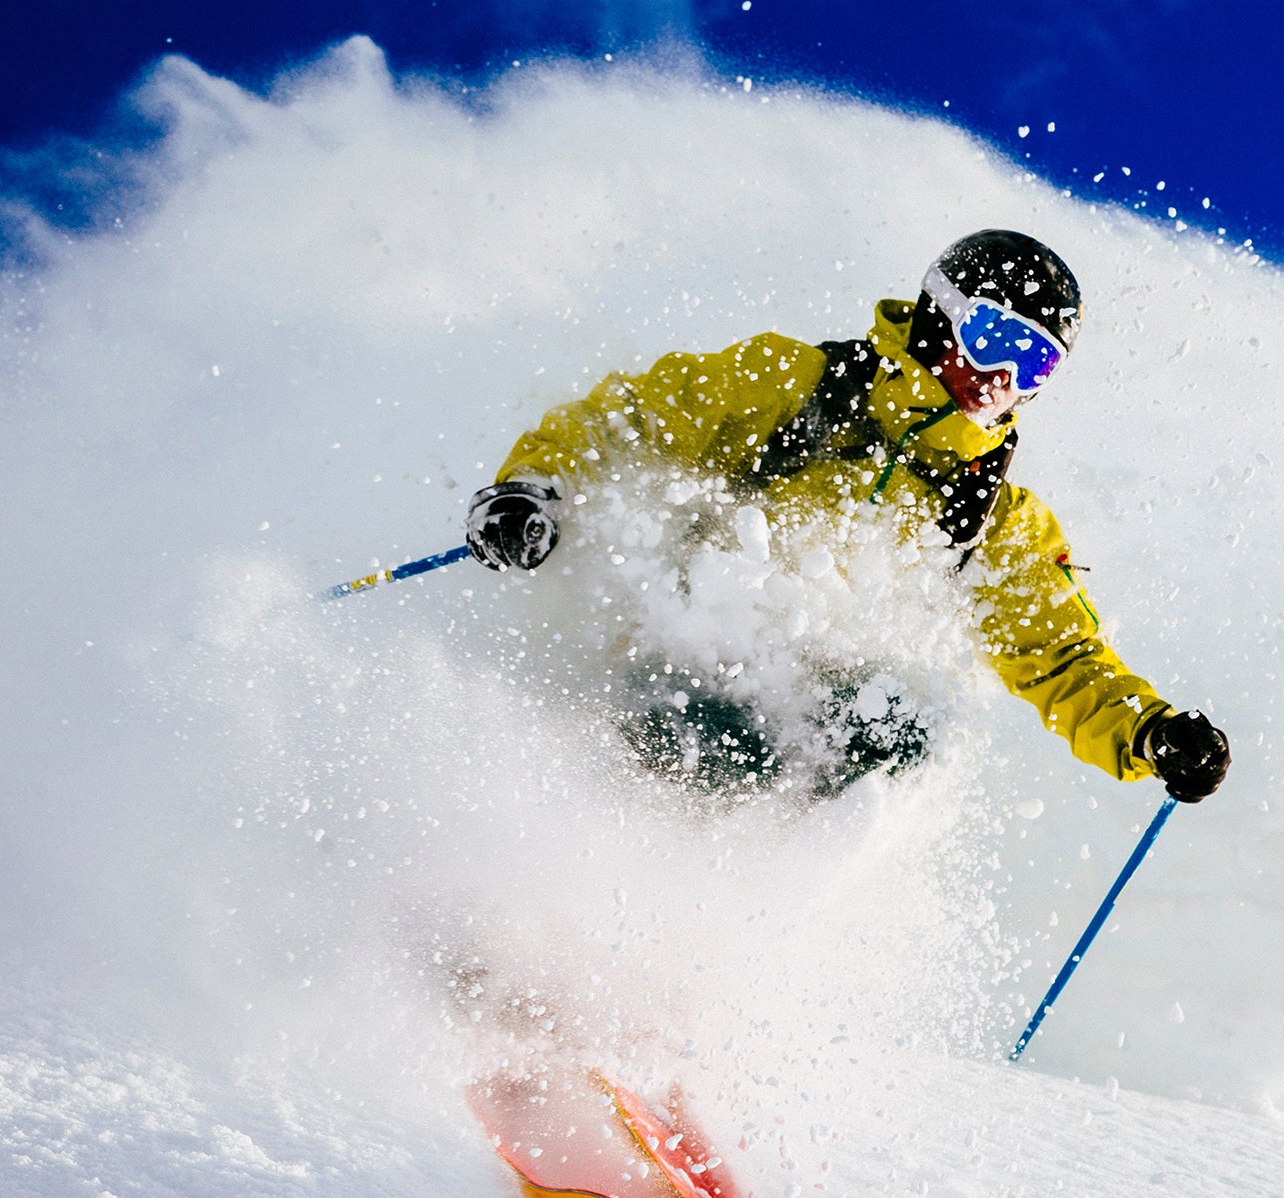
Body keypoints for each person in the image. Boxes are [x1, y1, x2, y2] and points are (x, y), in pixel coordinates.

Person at [461, 229, 1230, 804]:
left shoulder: (994, 516)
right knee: (710, 730)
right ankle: (574, 880)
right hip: (684, 657)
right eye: (994, 337)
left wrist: (1151, 732)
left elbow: (1059, 656)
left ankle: (728, 944)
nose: (1002, 377)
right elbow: (633, 417)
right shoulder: (798, 385)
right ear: (942, 314)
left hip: (818, 714)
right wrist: (534, 488)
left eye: (1034, 365)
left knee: (902, 728)